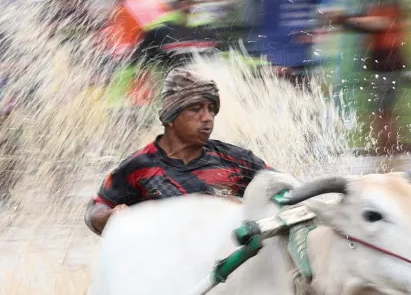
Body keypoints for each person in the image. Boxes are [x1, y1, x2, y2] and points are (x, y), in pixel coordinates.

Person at [85, 69, 274, 235]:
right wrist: (111, 218)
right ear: (171, 117)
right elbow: (96, 210)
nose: (207, 118)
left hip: (228, 268)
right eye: (195, 109)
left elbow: (281, 189)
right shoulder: (138, 167)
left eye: (211, 109)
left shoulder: (236, 160)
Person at [327, 0, 408, 157]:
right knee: (381, 113)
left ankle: (390, 161)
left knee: (383, 114)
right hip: (378, 54)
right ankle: (389, 161)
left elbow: (381, 23)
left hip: (388, 54)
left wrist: (345, 20)